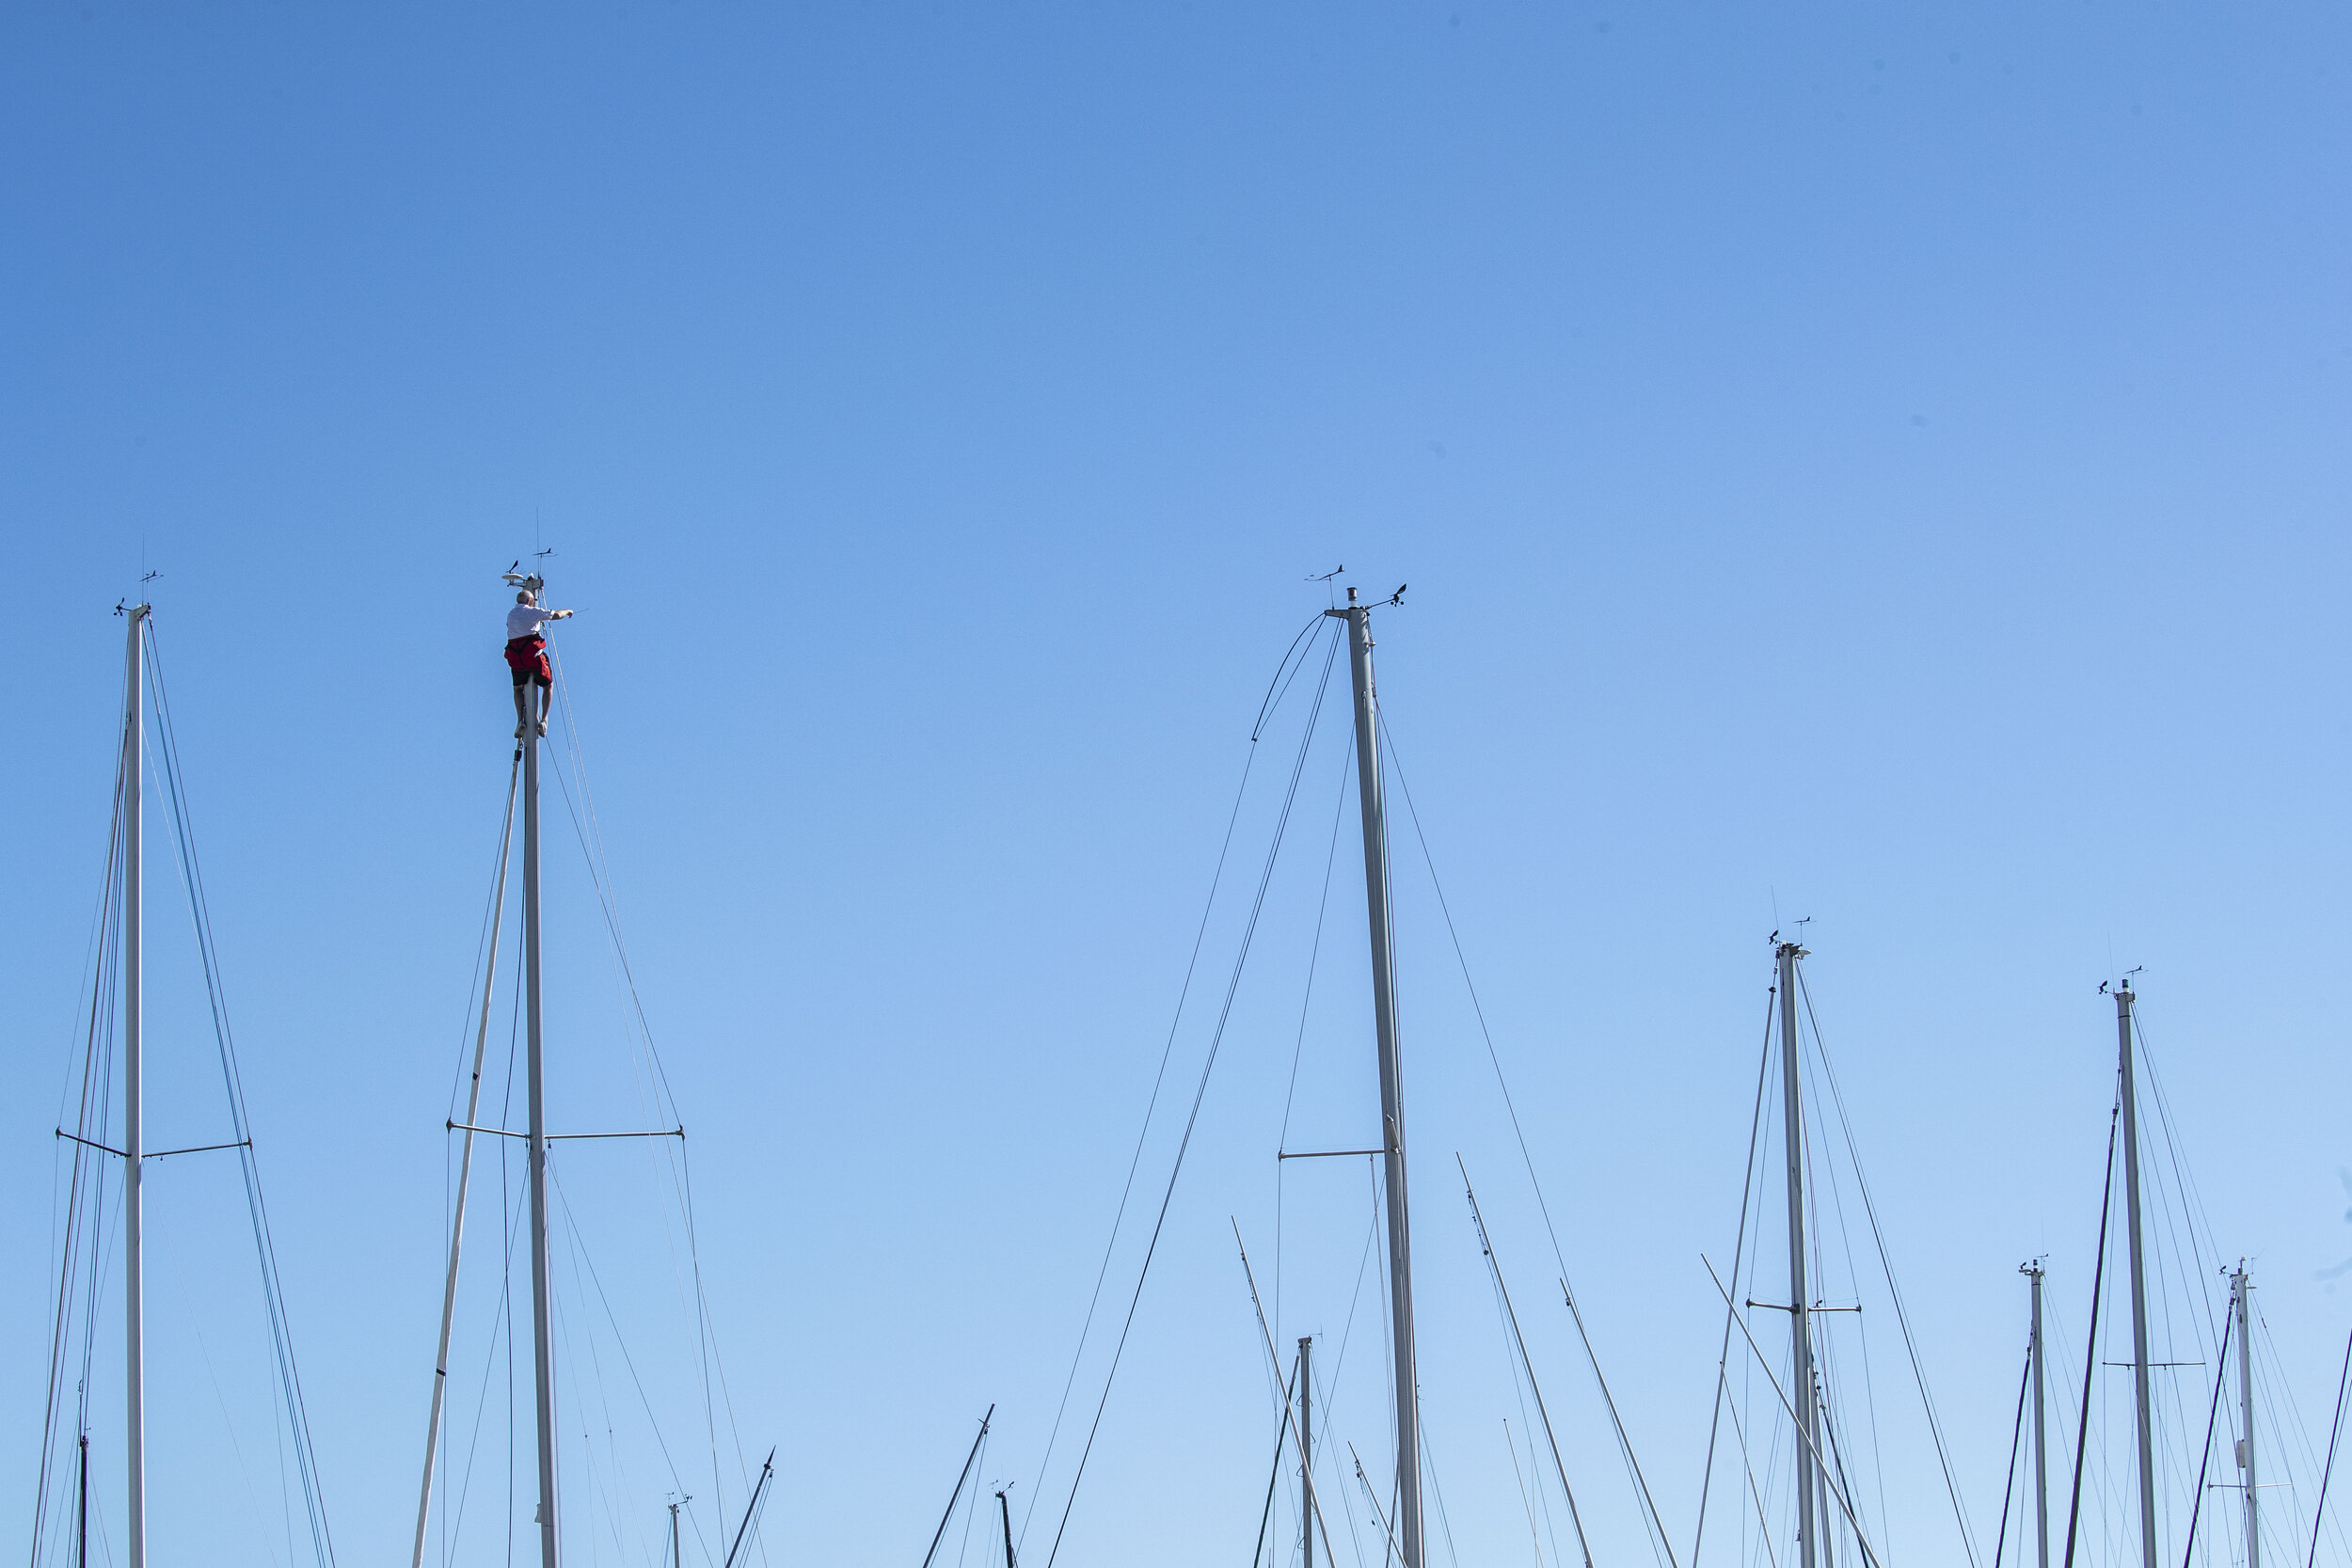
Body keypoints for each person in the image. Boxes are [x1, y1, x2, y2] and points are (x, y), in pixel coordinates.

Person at [505, 588, 574, 736]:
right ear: (530, 601)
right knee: (548, 686)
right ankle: (544, 719)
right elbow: (555, 615)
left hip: (517, 659)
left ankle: (520, 720)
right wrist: (567, 610)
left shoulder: (511, 614)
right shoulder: (531, 611)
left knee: (517, 688)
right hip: (533, 658)